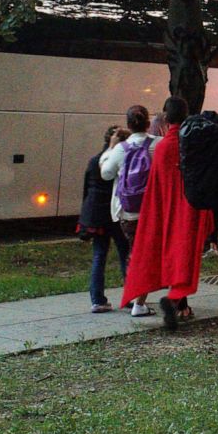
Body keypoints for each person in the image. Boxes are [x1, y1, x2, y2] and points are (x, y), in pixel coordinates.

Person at [120, 97, 215, 329]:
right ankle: (177, 300)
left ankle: (177, 302)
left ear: (165, 116)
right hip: (190, 210)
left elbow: (157, 187)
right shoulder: (193, 143)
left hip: (167, 212)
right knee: (185, 256)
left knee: (171, 255)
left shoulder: (162, 147)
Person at [99, 104, 159, 317]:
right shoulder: (157, 145)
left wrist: (110, 148)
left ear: (128, 125)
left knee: (135, 253)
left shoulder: (121, 149)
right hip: (153, 211)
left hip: (128, 212)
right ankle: (139, 301)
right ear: (148, 124)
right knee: (144, 255)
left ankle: (136, 299)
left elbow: (106, 173)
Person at [79, 125, 131, 313]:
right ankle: (130, 297)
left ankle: (97, 299)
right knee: (125, 253)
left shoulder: (94, 161)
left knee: (99, 254)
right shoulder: (120, 161)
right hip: (115, 214)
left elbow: (86, 189)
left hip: (96, 215)